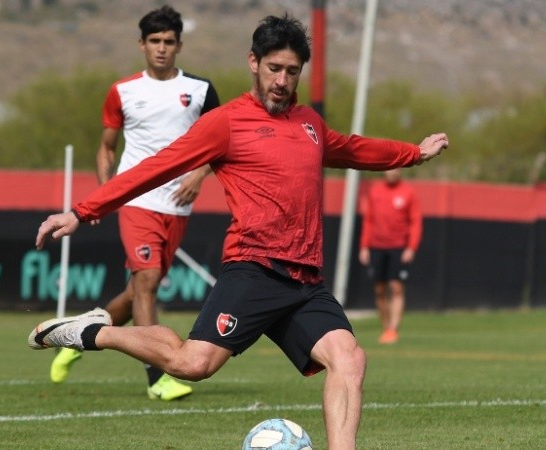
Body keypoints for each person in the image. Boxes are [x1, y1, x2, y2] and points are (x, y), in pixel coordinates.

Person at [29, 14, 448, 449]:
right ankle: (92, 332)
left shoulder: (309, 123)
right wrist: (82, 211)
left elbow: (352, 148)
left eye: (292, 71)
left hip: (304, 280)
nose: (282, 81)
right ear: (253, 62)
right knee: (193, 364)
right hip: (254, 270)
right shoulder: (226, 122)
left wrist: (413, 153)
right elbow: (156, 167)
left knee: (349, 358)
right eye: (274, 68)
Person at [48, 5, 220, 402]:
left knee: (138, 290)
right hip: (136, 198)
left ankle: (78, 336)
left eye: (169, 41)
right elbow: (107, 149)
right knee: (148, 281)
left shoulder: (200, 90)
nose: (161, 48)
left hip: (177, 204)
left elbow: (223, 142)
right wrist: (105, 196)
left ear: (179, 46)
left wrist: (199, 175)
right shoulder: (123, 91)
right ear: (141, 44)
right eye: (154, 41)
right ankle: (158, 377)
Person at [358, 168, 422, 345]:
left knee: (396, 287)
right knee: (379, 289)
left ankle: (393, 329)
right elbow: (369, 220)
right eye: (389, 168)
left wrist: (411, 247)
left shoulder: (408, 192)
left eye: (396, 168)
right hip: (376, 246)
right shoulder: (375, 191)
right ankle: (386, 327)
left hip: (398, 247)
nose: (392, 172)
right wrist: (364, 246)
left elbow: (415, 222)